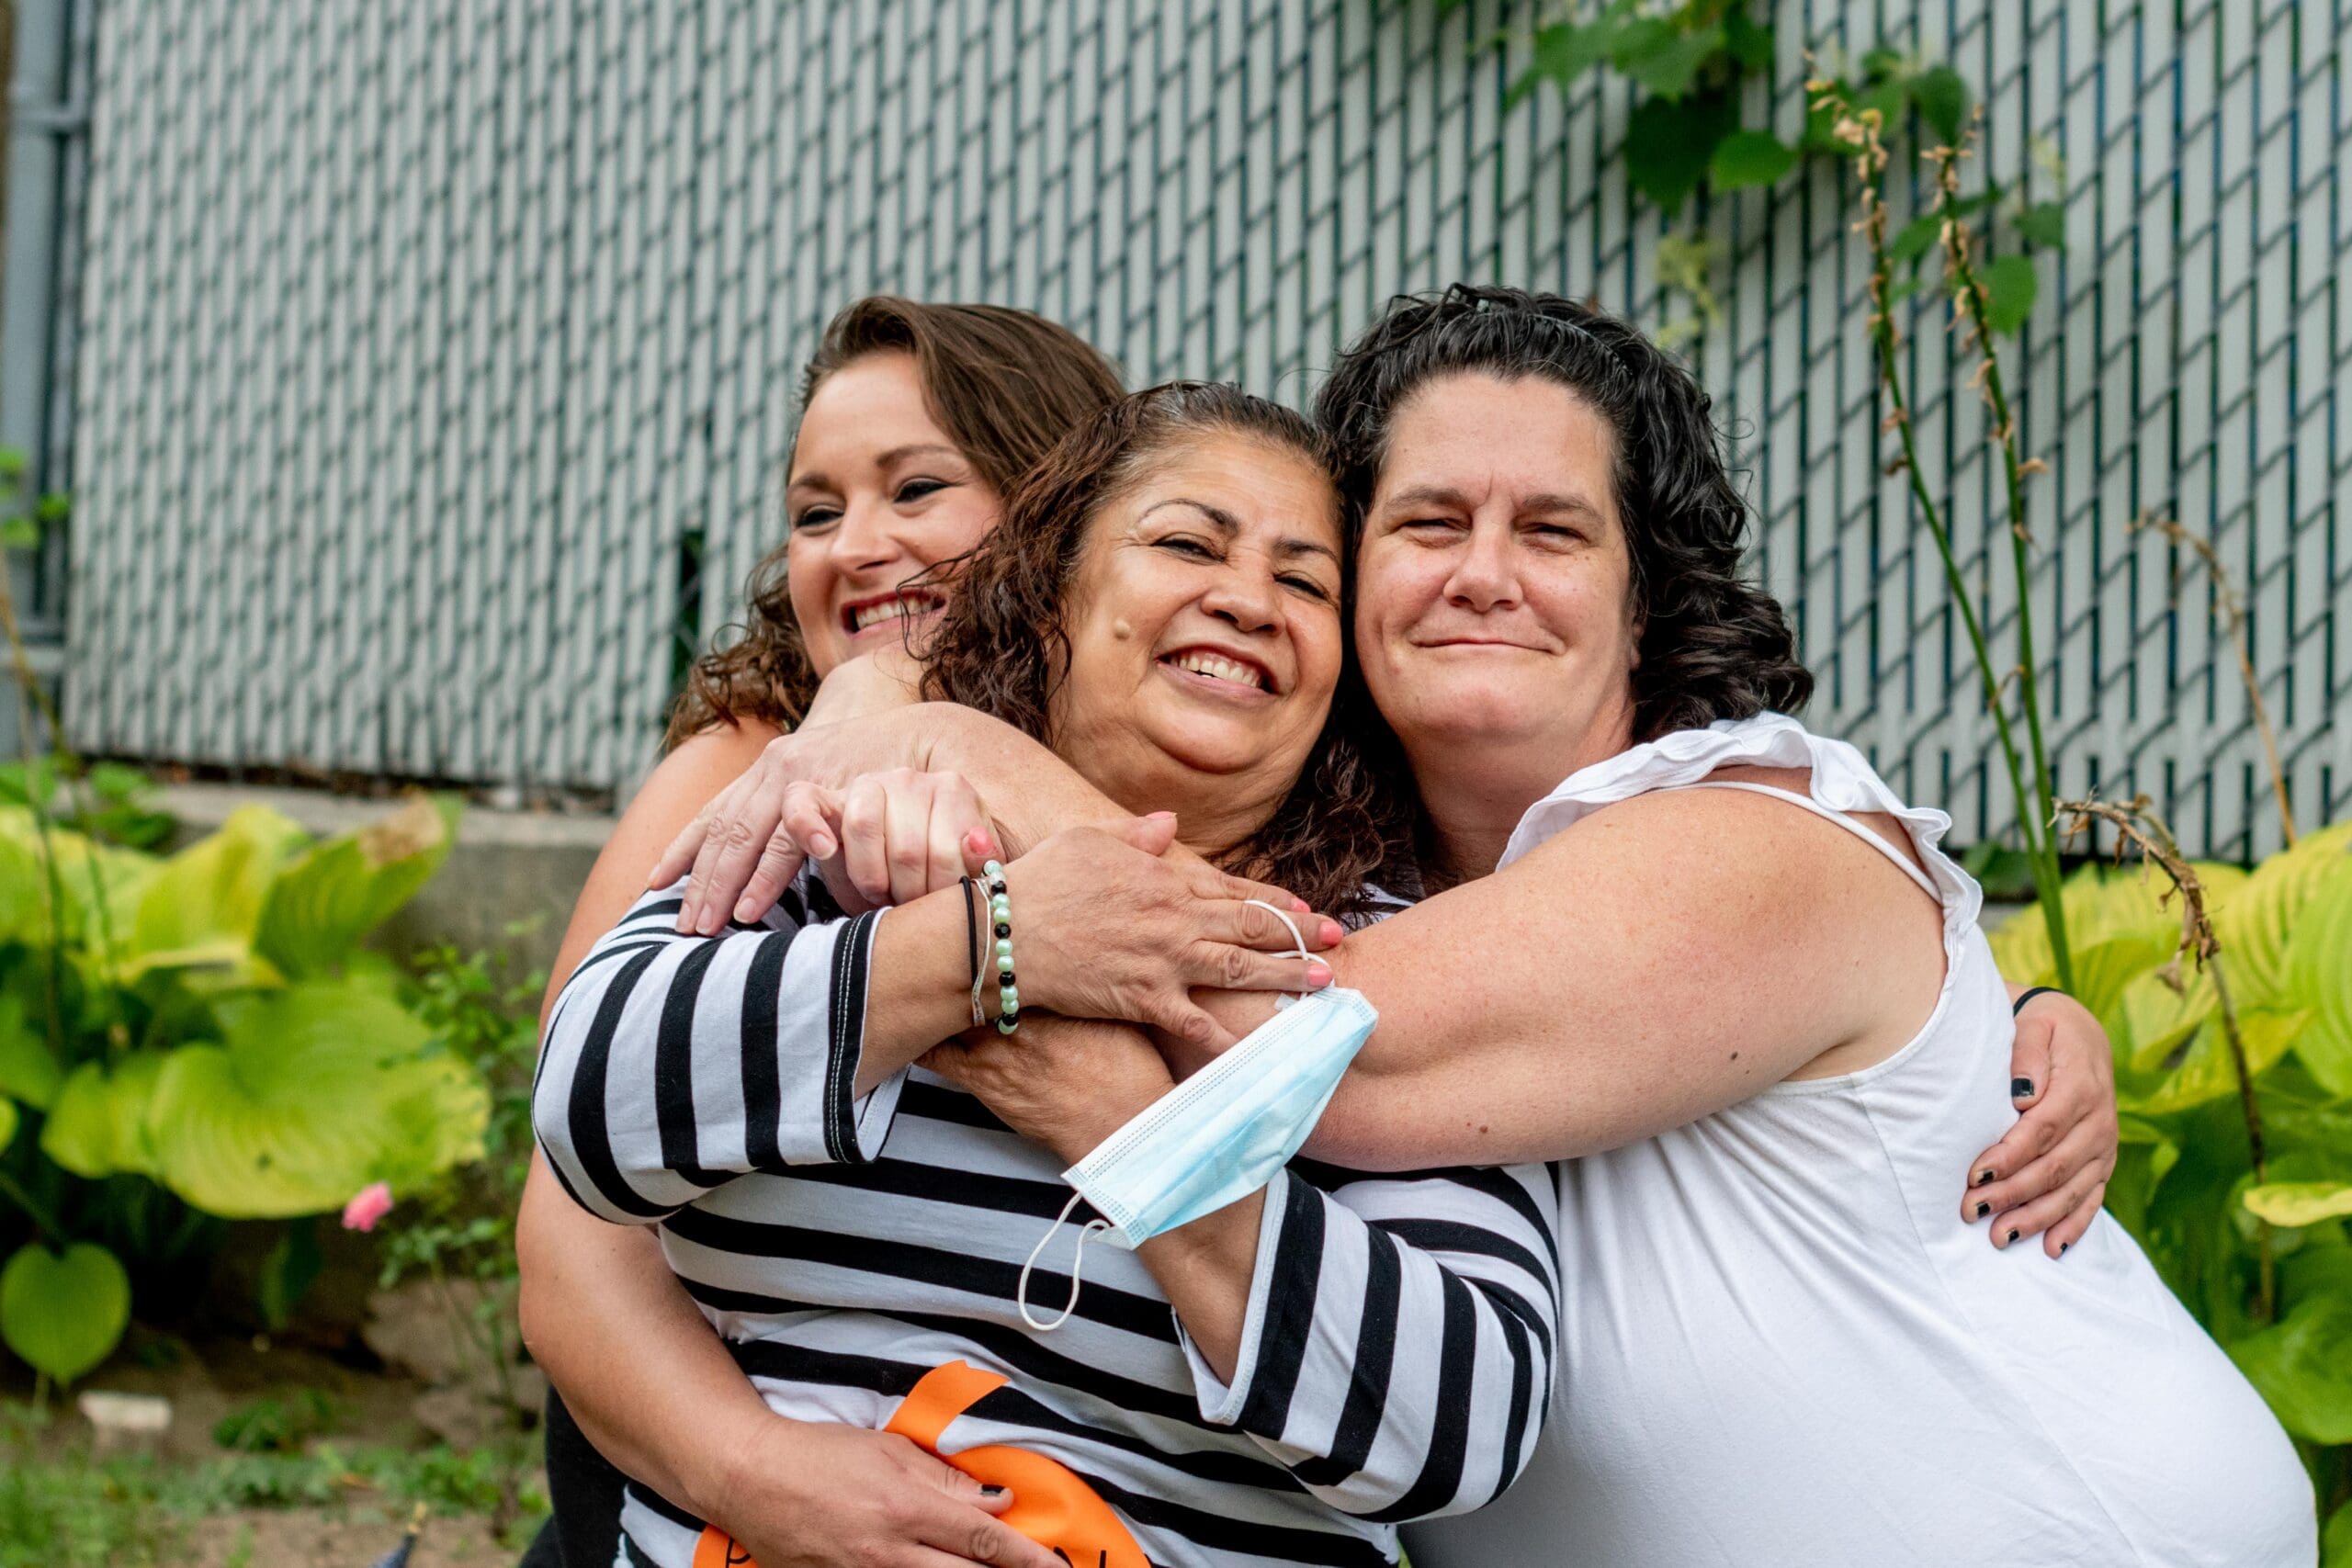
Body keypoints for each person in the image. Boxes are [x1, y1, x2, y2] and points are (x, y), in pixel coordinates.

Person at [669, 286, 2312, 1564]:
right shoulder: (1384, 883)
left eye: (1554, 530)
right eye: (1427, 523)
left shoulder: (1756, 822)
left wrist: (935, 727)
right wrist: (884, 689)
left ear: (1647, 595)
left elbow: (1333, 1060)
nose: (1483, 574)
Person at [533, 383, 1558, 1568]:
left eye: (1306, 581)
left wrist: (1119, 1116)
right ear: (1052, 585)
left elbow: (1455, 1431)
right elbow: (588, 1109)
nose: (1246, 599)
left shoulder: (1371, 954)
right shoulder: (863, 822)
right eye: (1187, 542)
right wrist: (984, 950)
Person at [514, 295, 1123, 1568]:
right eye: (815, 510)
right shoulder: (747, 768)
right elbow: (570, 1218)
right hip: (701, 1480)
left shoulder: (1145, 745)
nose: (857, 546)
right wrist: (758, 1476)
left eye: (916, 489)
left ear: (1061, 500)